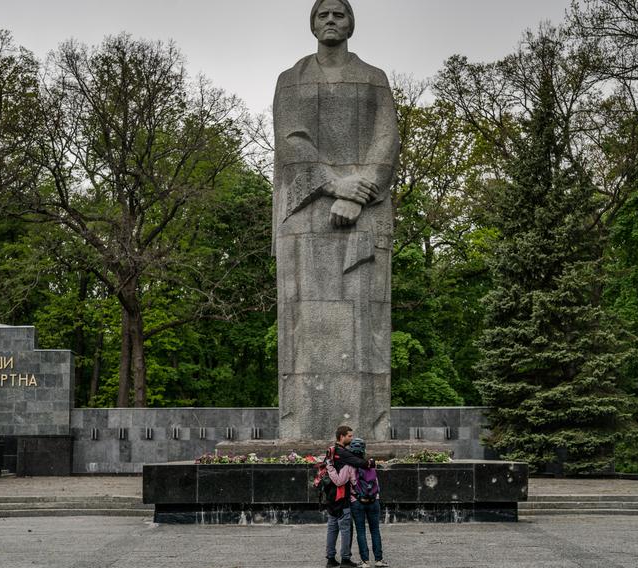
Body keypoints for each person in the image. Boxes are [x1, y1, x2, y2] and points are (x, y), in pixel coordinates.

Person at [273, 0, 400, 442]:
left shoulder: (373, 79)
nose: (331, 20)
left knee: (365, 325)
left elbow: (387, 139)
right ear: (312, 24)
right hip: (305, 217)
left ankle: (369, 430)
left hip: (365, 213)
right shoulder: (291, 81)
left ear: (351, 23)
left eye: (339, 14)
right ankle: (301, 429)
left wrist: (361, 189)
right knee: (302, 326)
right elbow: (292, 143)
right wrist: (336, 185)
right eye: (323, 14)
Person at [324, 425, 371, 567]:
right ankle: (345, 559)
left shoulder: (332, 451)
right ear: (341, 436)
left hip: (330, 496)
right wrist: (370, 463)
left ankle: (330, 559)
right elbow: (359, 462)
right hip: (341, 496)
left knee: (332, 527)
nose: (351, 438)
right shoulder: (342, 452)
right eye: (349, 436)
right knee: (346, 528)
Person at [345, 438, 388, 568]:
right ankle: (379, 560)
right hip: (373, 501)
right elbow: (377, 484)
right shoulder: (370, 464)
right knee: (375, 530)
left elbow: (342, 481)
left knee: (361, 531)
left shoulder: (350, 466)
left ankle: (365, 562)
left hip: (357, 502)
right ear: (364, 449)